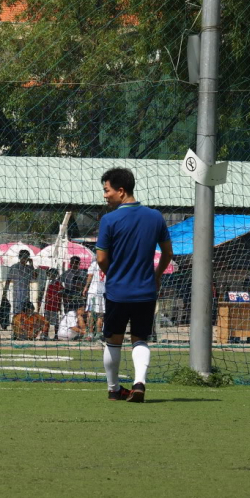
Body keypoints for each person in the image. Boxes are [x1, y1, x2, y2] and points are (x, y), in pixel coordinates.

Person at [96, 167, 173, 403]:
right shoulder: (155, 217)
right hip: (145, 292)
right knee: (140, 339)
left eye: (107, 190)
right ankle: (139, 382)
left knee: (113, 340)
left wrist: (115, 273)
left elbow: (100, 258)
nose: (104, 195)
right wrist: (157, 275)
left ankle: (114, 388)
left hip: (118, 292)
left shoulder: (109, 220)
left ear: (121, 191)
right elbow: (168, 253)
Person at [3, 250, 38, 314]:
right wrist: (4, 293)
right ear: (20, 257)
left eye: (27, 257)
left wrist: (31, 265)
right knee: (17, 313)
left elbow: (35, 277)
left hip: (26, 295)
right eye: (23, 257)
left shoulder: (29, 268)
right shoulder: (15, 267)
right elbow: (8, 280)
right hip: (17, 295)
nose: (25, 259)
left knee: (25, 313)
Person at [60, 256, 87, 333]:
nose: (73, 264)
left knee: (80, 315)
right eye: (72, 262)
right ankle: (74, 332)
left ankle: (82, 332)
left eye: (75, 263)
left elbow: (86, 285)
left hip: (80, 297)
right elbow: (60, 283)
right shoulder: (66, 274)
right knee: (70, 316)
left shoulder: (83, 274)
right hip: (69, 297)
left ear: (79, 264)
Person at [83, 258, 106, 339]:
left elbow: (90, 275)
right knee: (100, 314)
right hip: (103, 292)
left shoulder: (94, 263)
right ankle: (99, 334)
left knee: (90, 313)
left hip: (93, 291)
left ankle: (90, 334)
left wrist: (86, 287)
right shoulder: (108, 262)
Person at [38, 268, 63, 340]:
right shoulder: (47, 282)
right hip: (47, 306)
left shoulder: (58, 283)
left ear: (56, 275)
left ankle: (56, 335)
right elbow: (43, 292)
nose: (51, 275)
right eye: (50, 274)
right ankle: (44, 335)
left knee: (56, 322)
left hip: (54, 306)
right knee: (46, 321)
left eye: (53, 274)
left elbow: (62, 290)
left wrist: (60, 292)